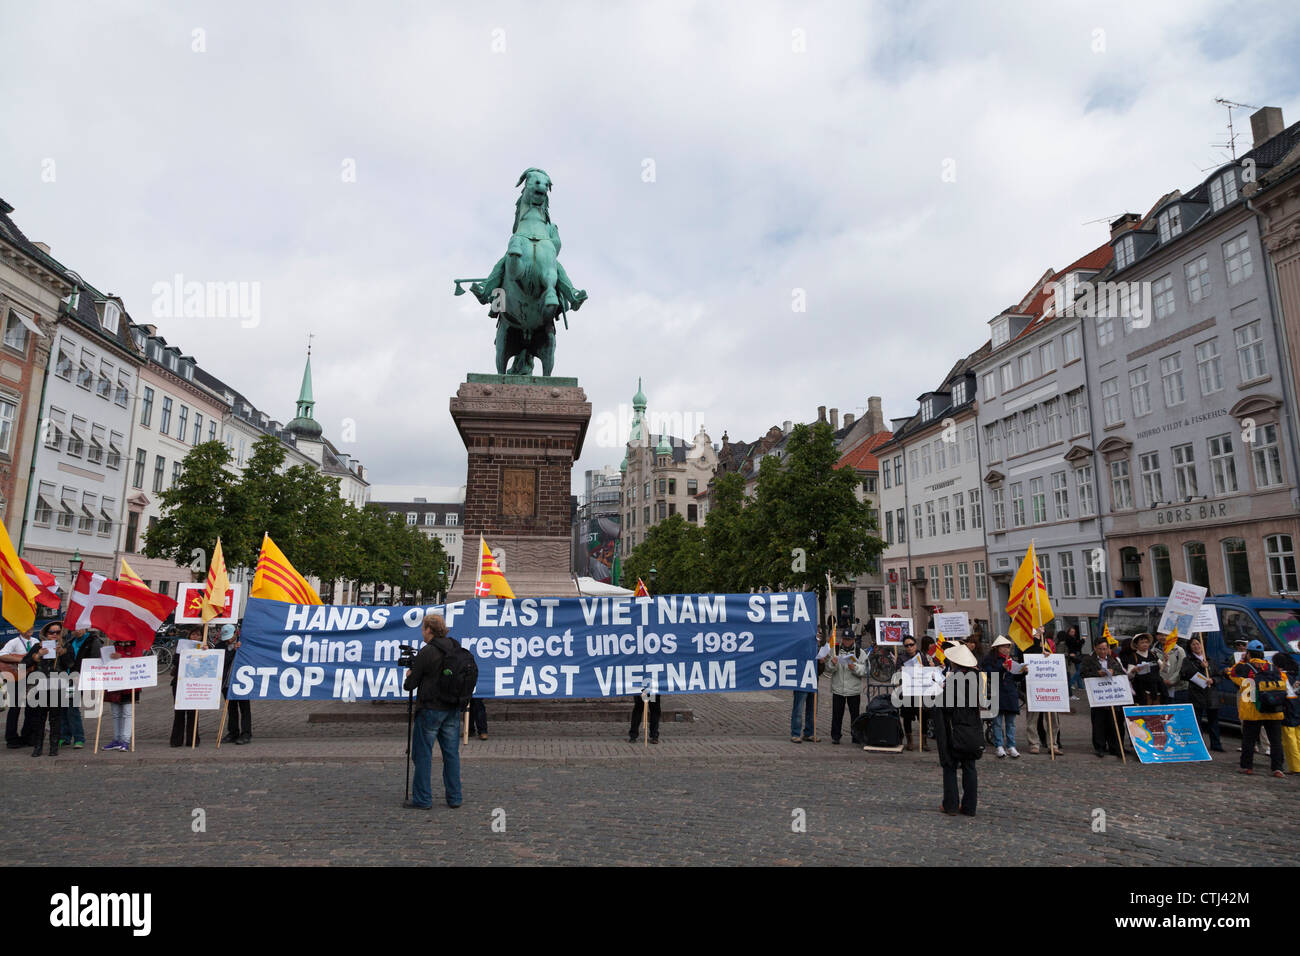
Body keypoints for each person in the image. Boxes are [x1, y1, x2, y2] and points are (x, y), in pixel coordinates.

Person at [403, 612, 464, 809]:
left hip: (430, 708)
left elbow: (410, 685)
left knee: (422, 754)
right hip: (452, 708)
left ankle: (422, 798)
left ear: (429, 629)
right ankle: (455, 797)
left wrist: (410, 674)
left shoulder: (427, 651)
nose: (422, 632)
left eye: (423, 628)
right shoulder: (454, 647)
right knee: (451, 754)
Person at [934, 643, 983, 816]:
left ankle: (951, 805)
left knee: (950, 766)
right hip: (972, 728)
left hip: (954, 729)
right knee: (970, 767)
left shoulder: (956, 679)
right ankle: (969, 807)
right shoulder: (976, 678)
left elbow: (944, 706)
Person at [1227, 640, 1286, 776]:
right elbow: (1283, 681)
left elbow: (1233, 674)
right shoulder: (1273, 667)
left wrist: (1241, 662)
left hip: (1252, 708)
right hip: (1273, 708)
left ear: (1248, 653)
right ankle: (1278, 768)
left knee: (1249, 740)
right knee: (1276, 740)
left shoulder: (1244, 667)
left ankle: (1247, 766)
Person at [1079, 635, 1124, 758]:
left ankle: (1115, 746)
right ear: (1095, 648)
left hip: (1111, 694)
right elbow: (1083, 673)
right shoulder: (1088, 659)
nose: (1103, 651)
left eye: (1105, 649)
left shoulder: (1113, 660)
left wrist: (1113, 672)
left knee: (1113, 721)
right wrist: (1096, 673)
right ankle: (1100, 746)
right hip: (1097, 695)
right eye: (1100, 649)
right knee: (1098, 721)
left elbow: (1121, 673)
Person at [55, 623, 97, 750]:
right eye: (73, 629)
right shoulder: (70, 640)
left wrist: (83, 676)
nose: (76, 631)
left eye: (79, 628)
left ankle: (79, 738)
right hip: (65, 678)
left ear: (85, 628)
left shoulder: (92, 641)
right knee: (62, 708)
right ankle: (65, 736)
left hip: (77, 680)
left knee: (72, 708)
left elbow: (94, 660)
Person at [824, 627, 868, 744]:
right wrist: (832, 664)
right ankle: (836, 736)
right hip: (838, 688)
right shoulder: (835, 650)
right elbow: (828, 669)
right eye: (844, 639)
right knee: (837, 714)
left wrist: (855, 668)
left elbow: (866, 670)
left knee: (855, 715)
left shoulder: (860, 652)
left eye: (849, 639)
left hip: (853, 689)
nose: (846, 641)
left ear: (853, 639)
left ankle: (856, 736)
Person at [1179, 635, 1223, 752]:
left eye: (1198, 644)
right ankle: (1198, 744)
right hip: (1196, 694)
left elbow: (1219, 676)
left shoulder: (1210, 660)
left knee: (1213, 721)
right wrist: (1201, 667)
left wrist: (1213, 680)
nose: (1196, 646)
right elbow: (1184, 674)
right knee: (1197, 720)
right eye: (1193, 644)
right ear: (1190, 647)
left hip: (1211, 694)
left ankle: (1216, 744)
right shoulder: (1188, 660)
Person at [981, 636, 1021, 759]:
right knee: (997, 722)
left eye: (1008, 647)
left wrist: (1023, 672)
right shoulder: (989, 660)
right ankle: (999, 745)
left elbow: (1015, 678)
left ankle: (1011, 746)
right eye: (1004, 647)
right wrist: (1001, 668)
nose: (1006, 649)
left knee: (1011, 723)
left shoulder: (1011, 659)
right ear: (997, 648)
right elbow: (988, 674)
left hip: (1010, 693)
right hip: (997, 692)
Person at [1, 628, 39, 749]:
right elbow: (2, 655)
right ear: (19, 629)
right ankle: (11, 738)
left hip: (32, 676)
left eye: (31, 626)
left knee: (31, 707)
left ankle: (28, 736)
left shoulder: (36, 641)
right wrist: (23, 660)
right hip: (17, 676)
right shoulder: (14, 642)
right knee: (15, 708)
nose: (30, 629)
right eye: (26, 627)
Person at [1026, 629, 1062, 754]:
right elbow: (1025, 657)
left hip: (1049, 685)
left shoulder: (1046, 642)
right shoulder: (1026, 644)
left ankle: (1053, 743)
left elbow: (1056, 660)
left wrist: (1048, 655)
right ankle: (1034, 743)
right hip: (1034, 686)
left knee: (1053, 718)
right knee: (1033, 718)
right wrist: (1036, 642)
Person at [102, 640, 141, 752]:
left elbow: (137, 660)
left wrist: (121, 656)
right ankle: (117, 739)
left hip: (130, 685)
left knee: (127, 713)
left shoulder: (136, 645)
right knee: (116, 714)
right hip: (115, 684)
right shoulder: (115, 645)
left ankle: (125, 740)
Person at [216, 623, 252, 744]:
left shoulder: (244, 643)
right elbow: (221, 661)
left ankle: (246, 733)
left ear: (236, 633)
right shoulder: (220, 646)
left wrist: (240, 650)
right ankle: (233, 732)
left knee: (244, 708)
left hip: (242, 682)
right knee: (231, 709)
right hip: (226, 682)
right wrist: (233, 651)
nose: (228, 640)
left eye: (230, 637)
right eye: (226, 638)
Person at [169, 627, 201, 748]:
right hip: (180, 683)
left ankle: (192, 739)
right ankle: (176, 740)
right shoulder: (181, 647)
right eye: (193, 635)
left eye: (198, 635)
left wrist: (204, 652)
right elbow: (175, 662)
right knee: (179, 712)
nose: (195, 637)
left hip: (194, 684)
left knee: (193, 712)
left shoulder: (204, 647)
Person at [1272, 652, 1300, 774]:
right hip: (1297, 705)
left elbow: (1284, 692)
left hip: (1288, 706)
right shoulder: (1295, 673)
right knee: (1298, 737)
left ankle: (1296, 766)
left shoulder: (1282, 676)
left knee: (1289, 739)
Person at [1121, 632, 1165, 705]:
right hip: (1141, 690)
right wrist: (1133, 670)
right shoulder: (1133, 657)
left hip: (1156, 688)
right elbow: (1128, 676)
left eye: (1146, 642)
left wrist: (1165, 661)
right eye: (1142, 642)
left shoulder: (1153, 654)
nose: (1145, 644)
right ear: (1136, 645)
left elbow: (1163, 668)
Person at [1161, 635, 1188, 704]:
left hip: (1178, 688)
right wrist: (1161, 681)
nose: (1163, 637)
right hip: (1162, 688)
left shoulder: (1179, 650)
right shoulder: (1154, 650)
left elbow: (1181, 667)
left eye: (1166, 635)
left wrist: (1171, 681)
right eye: (1160, 635)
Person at [1063, 625, 1084, 692]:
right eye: (1071, 631)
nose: (1073, 633)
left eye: (1074, 632)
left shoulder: (1070, 638)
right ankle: (1071, 683)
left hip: (1073, 654)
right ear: (1068, 632)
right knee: (1079, 670)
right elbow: (1077, 646)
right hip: (1074, 655)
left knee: (1078, 669)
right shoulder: (1070, 638)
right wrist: (1082, 640)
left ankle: (1080, 686)